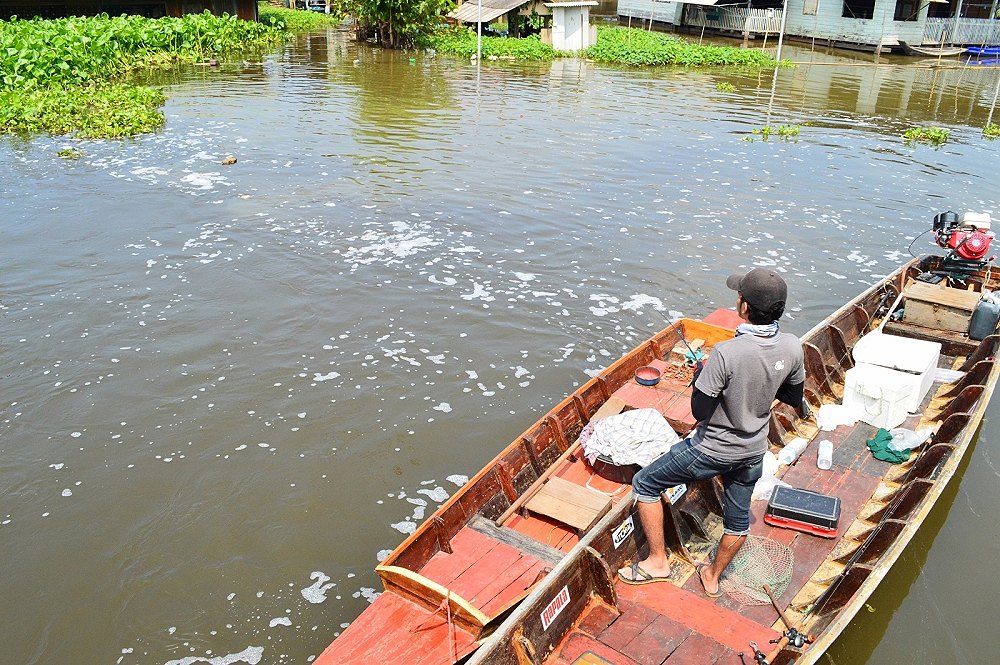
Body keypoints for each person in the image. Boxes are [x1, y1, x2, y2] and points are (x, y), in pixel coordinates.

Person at [618, 268, 806, 597]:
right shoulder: (792, 346)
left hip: (711, 451)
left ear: (744, 307)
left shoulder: (725, 353)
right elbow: (793, 397)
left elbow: (700, 412)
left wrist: (703, 374)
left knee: (645, 483)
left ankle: (658, 562)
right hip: (752, 452)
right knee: (737, 522)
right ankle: (713, 576)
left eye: (739, 296)